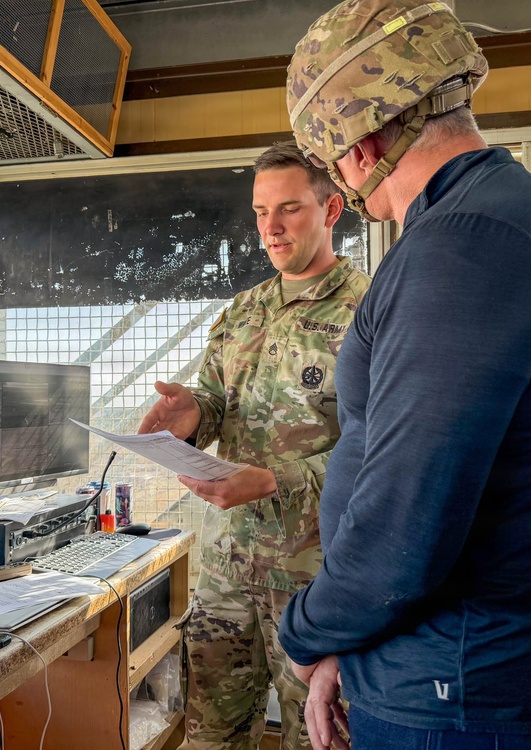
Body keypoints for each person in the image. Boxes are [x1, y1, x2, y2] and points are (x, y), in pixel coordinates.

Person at [276, 3, 531, 750]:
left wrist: (305, 633)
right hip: (448, 670)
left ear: (357, 149)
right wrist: (353, 648)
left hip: (462, 690)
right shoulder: (492, 216)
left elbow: (405, 523)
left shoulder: (465, 244)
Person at [138, 141, 371, 749]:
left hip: (319, 573)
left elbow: (382, 449)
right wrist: (189, 413)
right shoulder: (244, 310)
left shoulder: (369, 309)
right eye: (260, 212)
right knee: (211, 733)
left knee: (318, 735)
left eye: (289, 209)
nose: (271, 228)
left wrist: (275, 479)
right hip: (229, 566)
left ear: (332, 208)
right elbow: (216, 401)